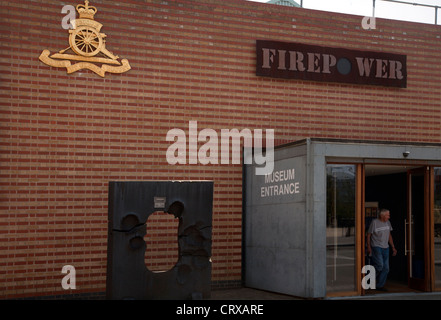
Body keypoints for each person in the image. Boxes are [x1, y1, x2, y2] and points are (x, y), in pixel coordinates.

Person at [366, 208, 397, 291]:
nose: (389, 217)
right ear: (382, 215)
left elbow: (389, 235)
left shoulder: (388, 223)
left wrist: (393, 247)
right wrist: (369, 246)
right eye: (387, 215)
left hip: (386, 247)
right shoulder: (374, 222)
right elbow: (369, 235)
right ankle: (369, 280)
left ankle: (380, 285)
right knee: (380, 265)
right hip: (376, 246)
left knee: (386, 268)